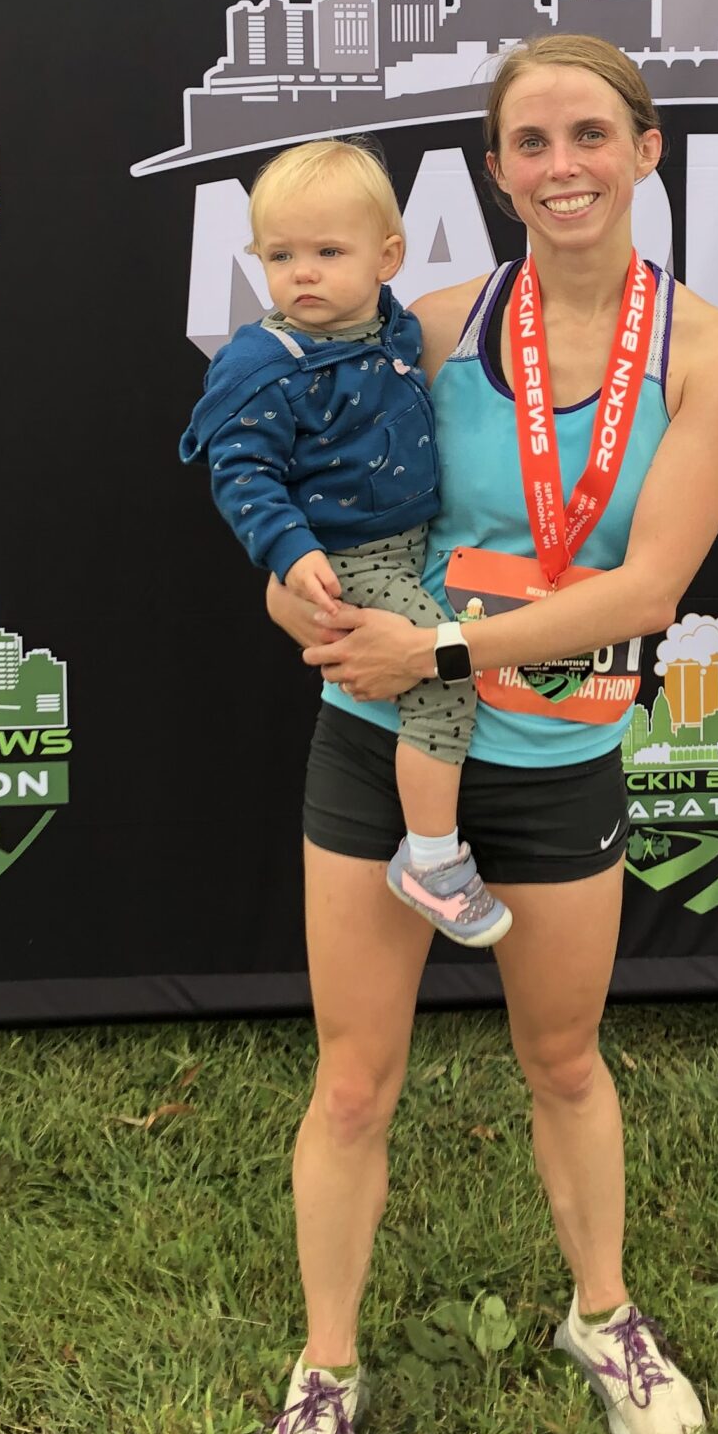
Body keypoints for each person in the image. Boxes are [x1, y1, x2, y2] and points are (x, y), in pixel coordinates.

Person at [242, 34, 718, 1434]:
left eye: (590, 134)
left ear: (647, 149)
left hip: (556, 757)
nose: (562, 166)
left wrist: (446, 642)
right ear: (494, 170)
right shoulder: (423, 325)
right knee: (353, 1081)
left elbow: (651, 582)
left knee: (564, 1060)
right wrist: (305, 601)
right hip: (379, 733)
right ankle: (324, 1375)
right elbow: (313, 494)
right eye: (528, 141)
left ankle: (600, 1317)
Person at [183, 139, 509, 947]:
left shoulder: (396, 331)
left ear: (387, 256)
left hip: (414, 542)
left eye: (329, 252)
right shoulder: (263, 362)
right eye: (281, 254)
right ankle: (431, 861)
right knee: (442, 679)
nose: (303, 274)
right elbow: (242, 473)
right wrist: (291, 552)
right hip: (348, 560)